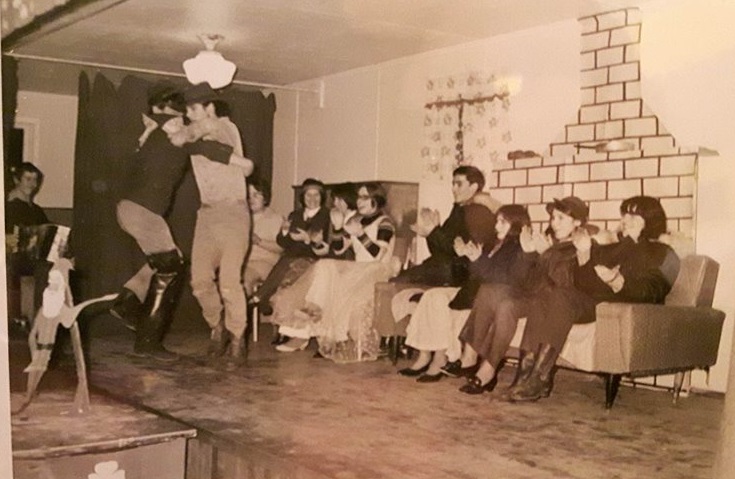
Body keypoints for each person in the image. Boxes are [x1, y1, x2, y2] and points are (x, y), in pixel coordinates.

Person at [507, 195, 680, 402]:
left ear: (650, 220)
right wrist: (584, 255)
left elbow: (655, 290)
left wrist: (618, 281)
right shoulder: (615, 247)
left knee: (560, 296)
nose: (626, 219)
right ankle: (526, 374)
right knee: (542, 296)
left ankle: (540, 376)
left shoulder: (664, 252)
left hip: (617, 308)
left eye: (635, 215)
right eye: (625, 214)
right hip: (592, 302)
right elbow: (585, 283)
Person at [399, 204, 531, 384]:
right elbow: (474, 273)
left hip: (490, 295)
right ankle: (424, 355)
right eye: (497, 221)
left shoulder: (519, 248)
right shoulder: (492, 243)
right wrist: (466, 256)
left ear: (515, 225)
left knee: (447, 299)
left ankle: (442, 359)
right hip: (472, 290)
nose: (496, 226)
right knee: (432, 296)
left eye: (502, 222)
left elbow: (500, 279)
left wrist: (477, 260)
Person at [182, 82, 254, 366]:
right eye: (187, 111)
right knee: (199, 281)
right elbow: (194, 138)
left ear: (209, 108)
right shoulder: (196, 136)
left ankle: (237, 337)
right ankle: (218, 326)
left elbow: (200, 132)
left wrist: (177, 131)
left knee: (229, 282)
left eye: (194, 109)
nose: (190, 116)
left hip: (234, 214)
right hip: (207, 215)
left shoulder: (225, 127)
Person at [285, 183, 396, 361]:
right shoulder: (357, 220)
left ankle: (335, 336)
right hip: (359, 269)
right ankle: (313, 307)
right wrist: (337, 227)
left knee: (341, 288)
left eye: (365, 197)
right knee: (324, 264)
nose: (360, 201)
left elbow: (378, 255)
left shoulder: (385, 222)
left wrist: (360, 234)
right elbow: (338, 249)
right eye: (359, 197)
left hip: (377, 271)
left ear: (377, 199)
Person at [268, 183, 357, 348]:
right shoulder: (299, 214)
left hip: (330, 264)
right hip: (316, 261)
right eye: (308, 195)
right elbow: (285, 242)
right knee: (289, 280)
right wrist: (288, 233)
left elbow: (335, 251)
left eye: (338, 200)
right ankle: (290, 331)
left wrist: (311, 240)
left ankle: (299, 334)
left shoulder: (336, 217)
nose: (335, 203)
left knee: (298, 286)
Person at [391, 165, 497, 287]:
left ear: (473, 187)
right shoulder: (460, 209)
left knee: (397, 283)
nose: (453, 189)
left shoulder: (478, 212)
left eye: (459, 184)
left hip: (462, 273)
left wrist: (434, 232)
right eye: (453, 184)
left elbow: (459, 252)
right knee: (397, 280)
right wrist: (431, 233)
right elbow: (438, 252)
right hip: (448, 269)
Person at [251, 178, 331, 326]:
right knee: (285, 262)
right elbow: (283, 243)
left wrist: (308, 239)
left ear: (322, 197)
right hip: (291, 256)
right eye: (308, 195)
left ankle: (261, 297)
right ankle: (265, 301)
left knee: (287, 271)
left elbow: (327, 247)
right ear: (302, 197)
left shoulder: (327, 216)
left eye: (316, 195)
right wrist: (285, 230)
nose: (312, 199)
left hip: (312, 259)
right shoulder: (295, 215)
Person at [5, 162, 51, 323]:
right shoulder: (6, 206)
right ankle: (39, 321)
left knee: (57, 265)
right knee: (45, 267)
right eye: (28, 179)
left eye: (35, 180)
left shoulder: (37, 210)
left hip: (34, 258)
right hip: (13, 258)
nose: (32, 184)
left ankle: (47, 323)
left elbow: (49, 234)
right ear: (17, 180)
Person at [243, 179, 284, 296]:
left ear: (265, 198)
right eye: (248, 195)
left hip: (264, 263)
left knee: (241, 280)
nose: (251, 199)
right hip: (240, 262)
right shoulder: (240, 219)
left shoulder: (276, 219)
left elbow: (281, 248)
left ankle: (241, 313)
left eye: (256, 195)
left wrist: (258, 241)